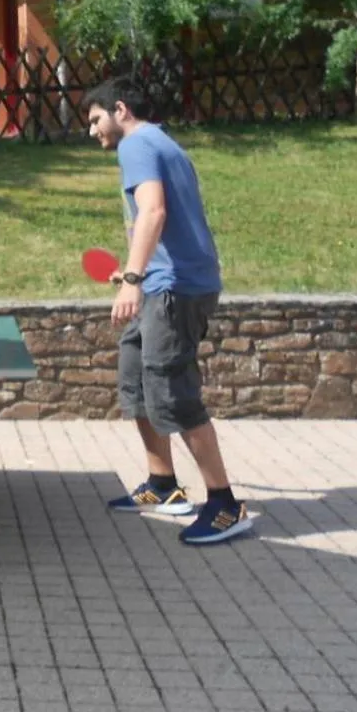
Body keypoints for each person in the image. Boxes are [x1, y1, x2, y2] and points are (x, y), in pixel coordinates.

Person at [83, 77, 254, 545]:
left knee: (173, 392)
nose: (93, 130)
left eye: (96, 119)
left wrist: (135, 279)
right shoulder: (163, 143)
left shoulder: (136, 145)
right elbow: (158, 220)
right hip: (164, 283)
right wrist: (136, 271)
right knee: (136, 377)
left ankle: (225, 505)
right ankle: (163, 485)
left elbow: (153, 212)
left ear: (120, 110)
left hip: (175, 291)